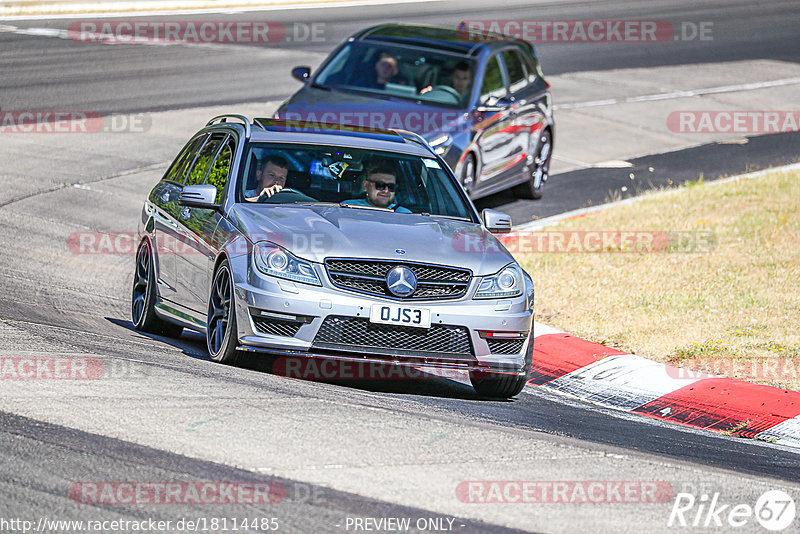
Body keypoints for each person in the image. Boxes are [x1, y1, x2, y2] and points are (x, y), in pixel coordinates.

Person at [342, 160, 411, 213]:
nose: (386, 191)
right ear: (365, 185)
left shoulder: (406, 214)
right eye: (380, 185)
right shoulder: (348, 207)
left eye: (391, 187)